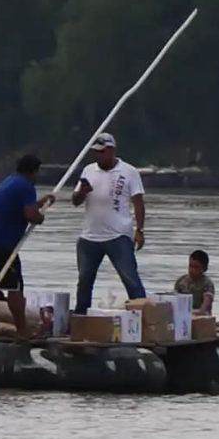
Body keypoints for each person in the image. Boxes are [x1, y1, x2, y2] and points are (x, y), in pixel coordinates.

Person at [69, 132, 146, 314]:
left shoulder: (129, 172)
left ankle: (144, 316)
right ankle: (81, 318)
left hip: (118, 235)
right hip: (90, 236)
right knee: (84, 282)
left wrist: (140, 230)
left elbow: (138, 202)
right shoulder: (88, 170)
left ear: (111, 150)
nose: (99, 155)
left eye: (102, 152)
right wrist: (82, 192)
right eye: (97, 152)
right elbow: (75, 200)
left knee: (130, 279)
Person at [0, 152, 48, 298]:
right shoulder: (26, 186)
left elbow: (20, 208)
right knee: (15, 288)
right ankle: (20, 322)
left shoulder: (10, 181)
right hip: (2, 246)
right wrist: (40, 217)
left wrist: (42, 203)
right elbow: (31, 215)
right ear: (33, 171)